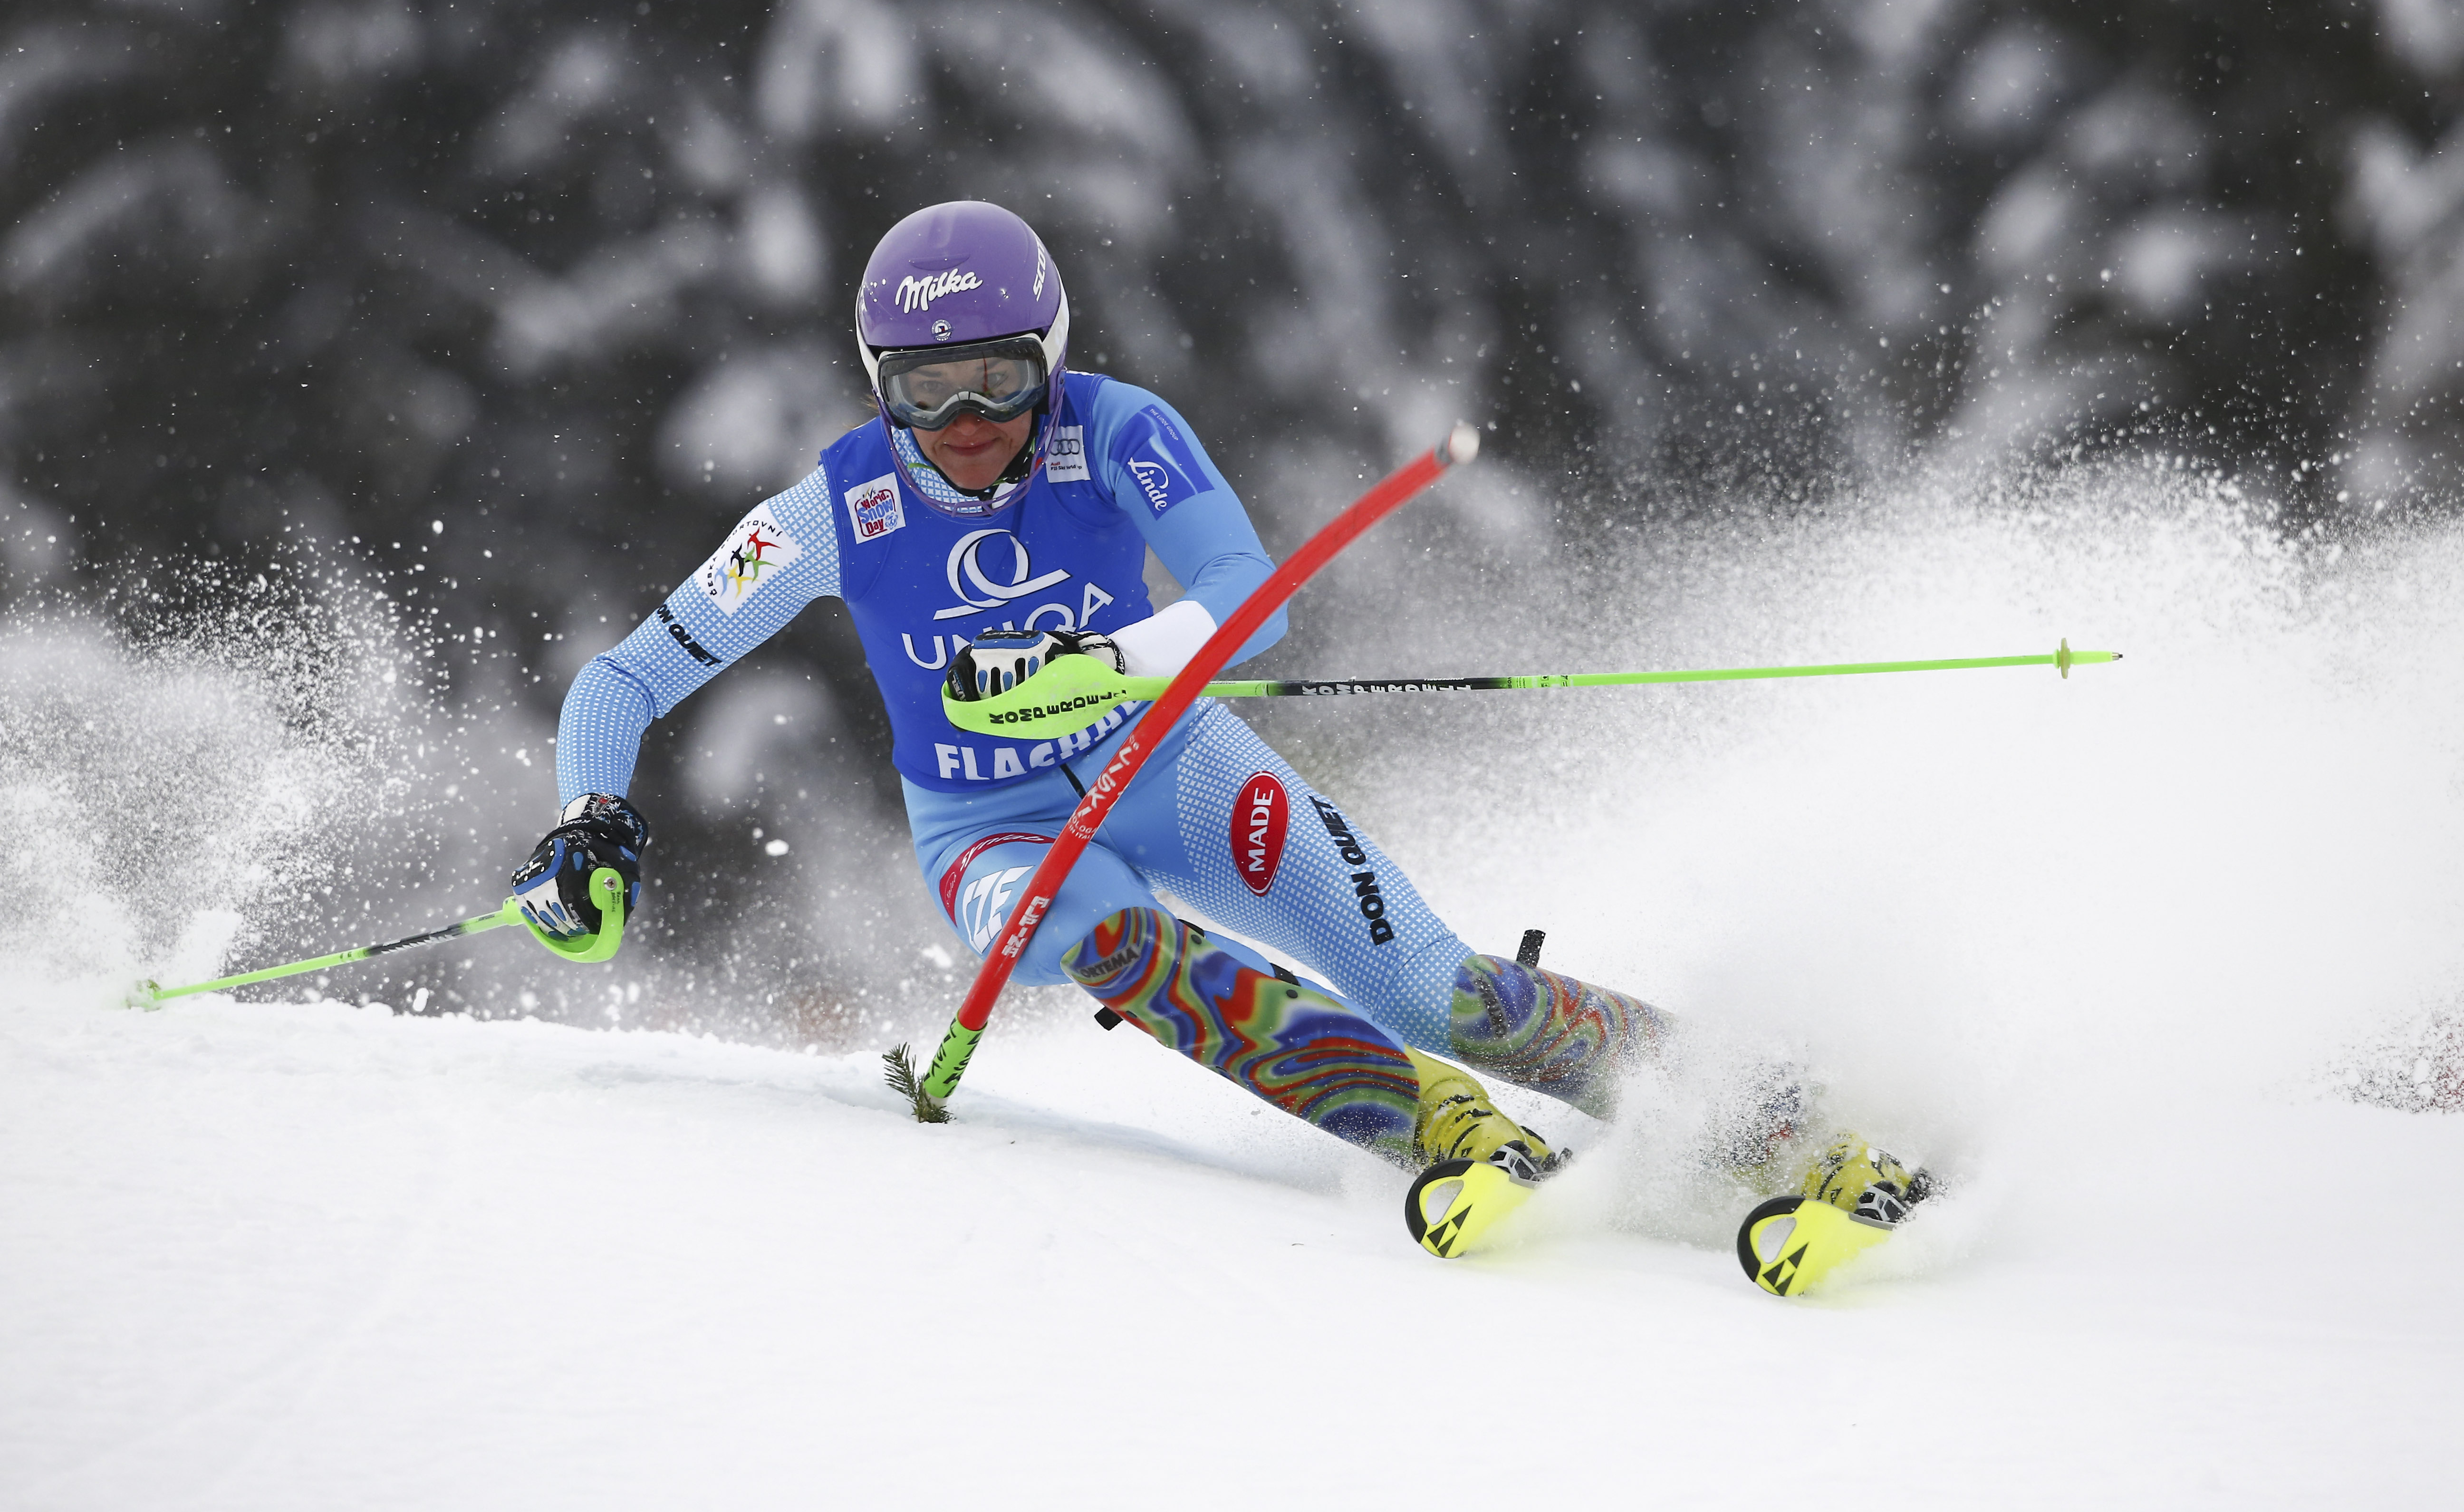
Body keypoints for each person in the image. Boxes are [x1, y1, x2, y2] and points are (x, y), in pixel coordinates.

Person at [509, 200, 1926, 1268]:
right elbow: (622, 682)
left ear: (1049, 356)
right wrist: (588, 824)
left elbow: (1254, 608)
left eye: (997, 379)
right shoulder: (835, 511)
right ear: (875, 382)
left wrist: (1100, 668)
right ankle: (1443, 1126)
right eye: (920, 392)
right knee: (1108, 934)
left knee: (1436, 986)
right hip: (988, 834)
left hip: (1176, 767)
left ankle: (1790, 1121)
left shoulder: (1114, 432)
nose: (964, 424)